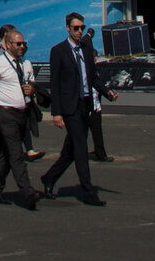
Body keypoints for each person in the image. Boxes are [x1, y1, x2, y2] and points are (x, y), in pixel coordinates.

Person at [40, 12, 109, 205]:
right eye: (76, 28)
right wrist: (56, 113)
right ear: (68, 28)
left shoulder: (86, 48)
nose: (80, 31)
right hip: (69, 106)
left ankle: (49, 178)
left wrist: (107, 92)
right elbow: (55, 83)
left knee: (71, 150)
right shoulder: (58, 51)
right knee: (81, 148)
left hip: (84, 104)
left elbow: (92, 77)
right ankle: (88, 192)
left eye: (82, 28)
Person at [0, 25, 39, 209]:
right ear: (8, 44)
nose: (22, 47)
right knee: (16, 153)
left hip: (22, 113)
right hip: (5, 113)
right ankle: (27, 192)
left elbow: (32, 87)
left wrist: (32, 90)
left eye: (23, 44)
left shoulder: (25, 64)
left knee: (5, 155)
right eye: (18, 44)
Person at [83, 26, 112, 162]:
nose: (95, 60)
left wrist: (109, 94)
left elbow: (99, 86)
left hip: (96, 107)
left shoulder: (95, 72)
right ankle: (75, 153)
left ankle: (101, 154)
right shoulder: (85, 71)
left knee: (97, 132)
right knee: (79, 134)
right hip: (85, 107)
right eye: (93, 58)